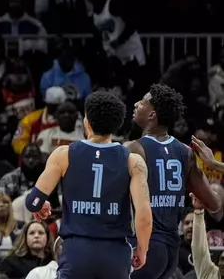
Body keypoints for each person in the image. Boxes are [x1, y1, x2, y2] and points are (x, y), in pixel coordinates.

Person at [25, 91, 153, 279]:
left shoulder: (63, 154)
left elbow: (32, 202)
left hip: (77, 251)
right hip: (115, 252)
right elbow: (144, 215)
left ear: (86, 121)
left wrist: (41, 205)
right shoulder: (133, 162)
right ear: (117, 125)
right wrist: (142, 249)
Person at [125, 83, 222, 279]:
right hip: (171, 250)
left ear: (152, 114)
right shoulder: (186, 152)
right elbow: (214, 204)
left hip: (145, 244)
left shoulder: (133, 148)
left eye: (142, 102)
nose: (136, 104)